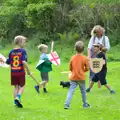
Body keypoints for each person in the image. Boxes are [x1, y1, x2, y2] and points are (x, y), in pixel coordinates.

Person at [5, 35, 34, 108]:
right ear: (20, 42)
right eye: (24, 42)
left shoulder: (11, 52)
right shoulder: (22, 51)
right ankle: (18, 97)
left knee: (16, 87)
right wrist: (28, 71)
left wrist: (5, 59)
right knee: (22, 86)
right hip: (20, 72)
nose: (25, 44)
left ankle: (15, 102)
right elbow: (24, 62)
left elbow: (8, 62)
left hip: (13, 72)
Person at [64, 41, 90, 109]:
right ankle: (85, 104)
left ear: (75, 49)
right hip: (81, 78)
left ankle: (66, 105)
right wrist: (82, 71)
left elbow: (70, 68)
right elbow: (87, 68)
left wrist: (73, 71)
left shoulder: (72, 57)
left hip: (73, 77)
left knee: (71, 91)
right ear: (83, 49)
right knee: (83, 92)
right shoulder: (85, 58)